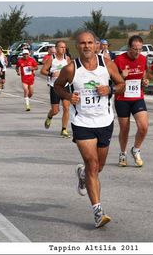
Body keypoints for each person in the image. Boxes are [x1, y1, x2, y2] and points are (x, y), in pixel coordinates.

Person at [54, 30, 125, 228]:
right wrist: (68, 97)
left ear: (95, 45)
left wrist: (109, 89)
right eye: (82, 43)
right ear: (77, 46)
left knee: (98, 167)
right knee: (92, 163)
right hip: (82, 122)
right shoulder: (71, 69)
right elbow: (57, 86)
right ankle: (98, 212)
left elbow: (122, 85)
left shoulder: (106, 65)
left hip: (105, 122)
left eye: (90, 42)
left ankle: (83, 175)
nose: (86, 46)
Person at [113, 35, 149, 167]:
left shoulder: (143, 59)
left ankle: (136, 149)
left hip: (137, 97)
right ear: (129, 47)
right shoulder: (119, 60)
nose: (138, 52)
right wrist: (121, 76)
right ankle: (123, 153)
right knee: (124, 129)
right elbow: (112, 81)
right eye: (135, 49)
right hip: (122, 98)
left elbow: (144, 75)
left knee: (144, 127)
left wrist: (145, 82)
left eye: (140, 49)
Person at [40, 41, 72, 138]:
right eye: (61, 47)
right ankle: (49, 116)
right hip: (54, 86)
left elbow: (71, 71)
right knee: (55, 110)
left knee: (66, 108)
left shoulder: (67, 58)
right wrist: (51, 74)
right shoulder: (51, 59)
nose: (63, 49)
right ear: (57, 48)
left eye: (64, 47)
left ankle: (64, 129)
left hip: (65, 86)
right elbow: (42, 71)